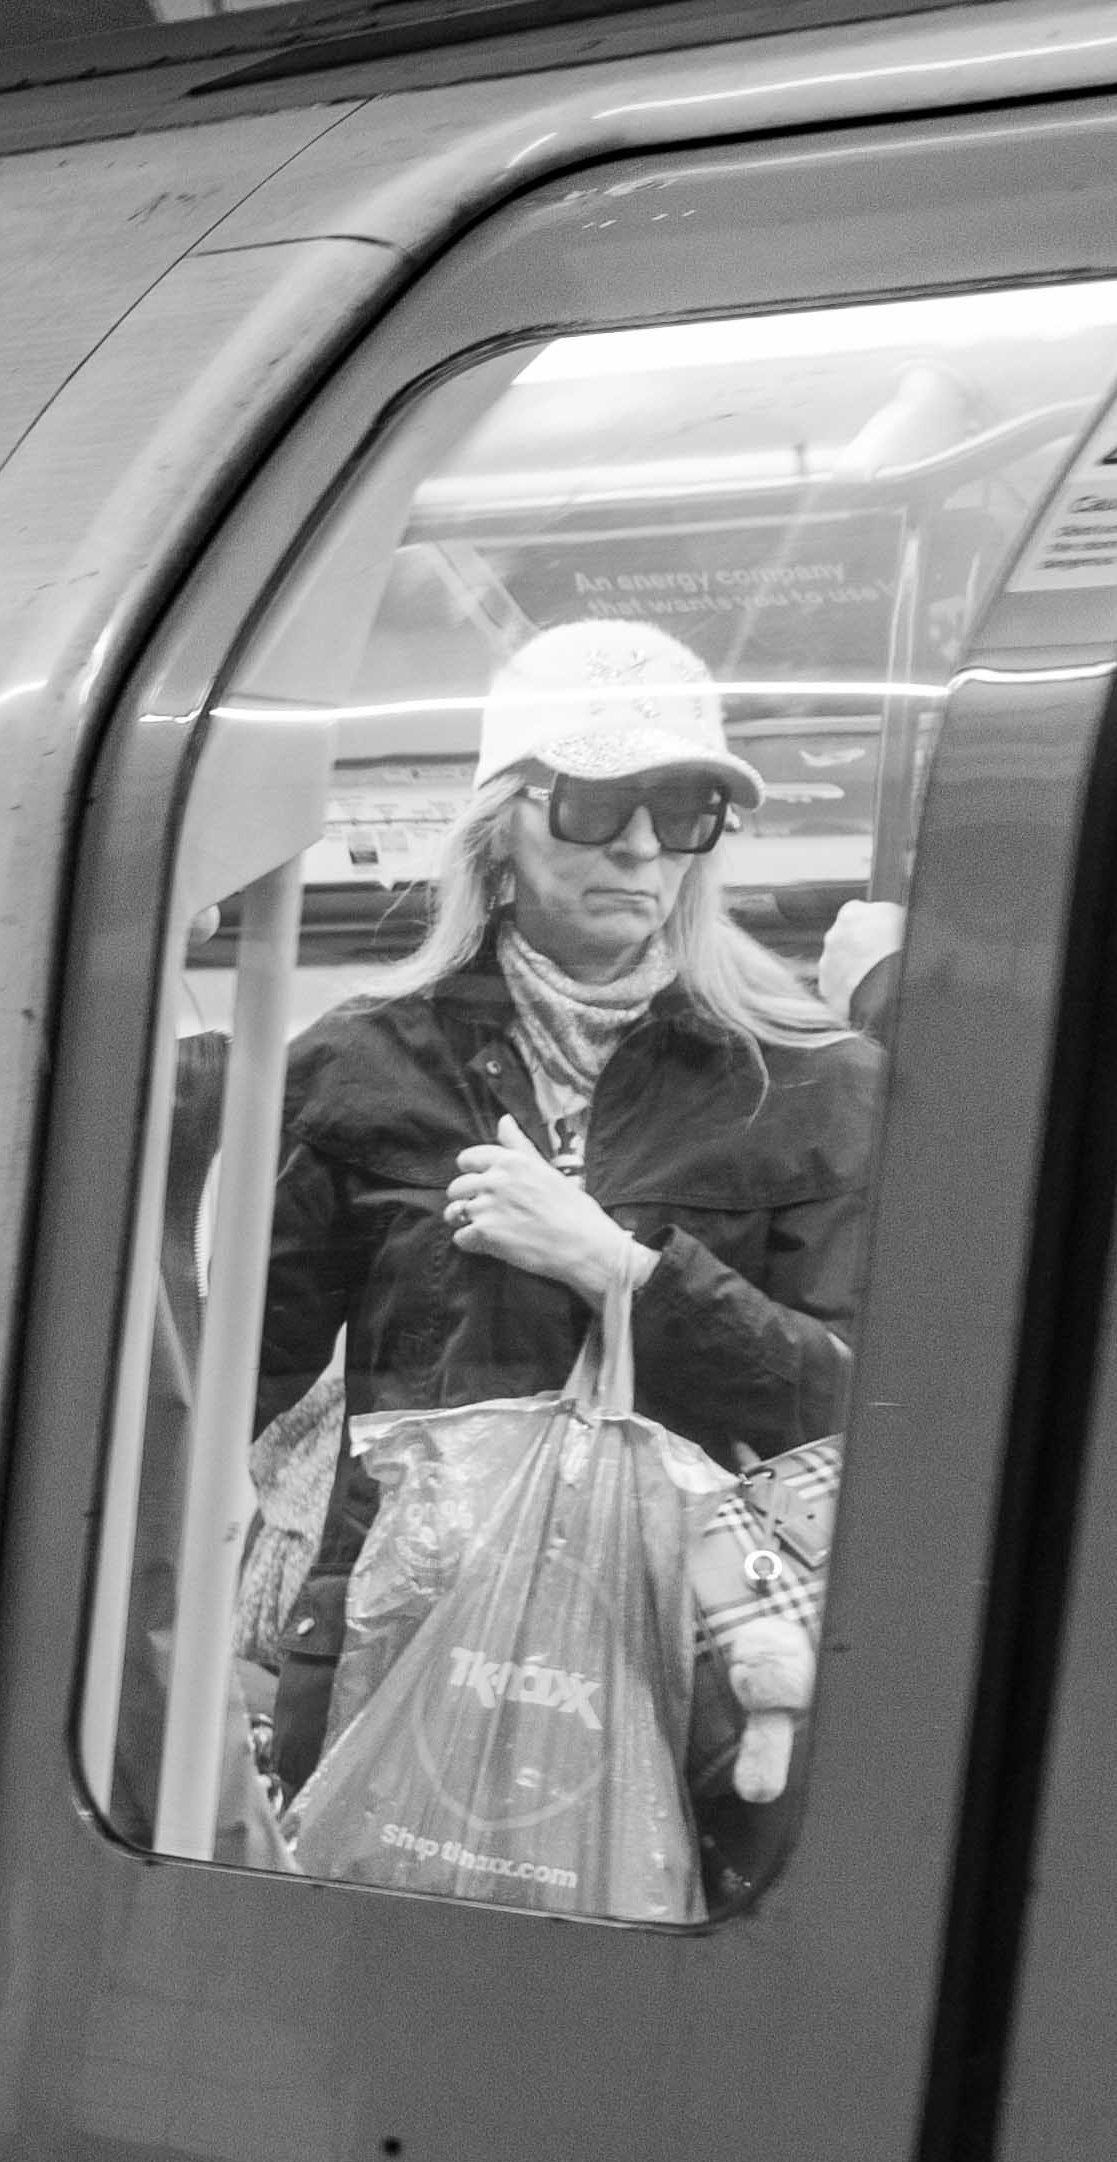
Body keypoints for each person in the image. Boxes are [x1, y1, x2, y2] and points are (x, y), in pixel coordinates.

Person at [243, 617, 881, 1815]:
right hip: (398, 1641)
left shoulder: (809, 1083)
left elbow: (855, 1405)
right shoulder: (358, 1066)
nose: (639, 846)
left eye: (683, 809)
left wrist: (621, 1271)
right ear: (501, 825)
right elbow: (241, 1378)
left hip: (678, 1663)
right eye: (595, 803)